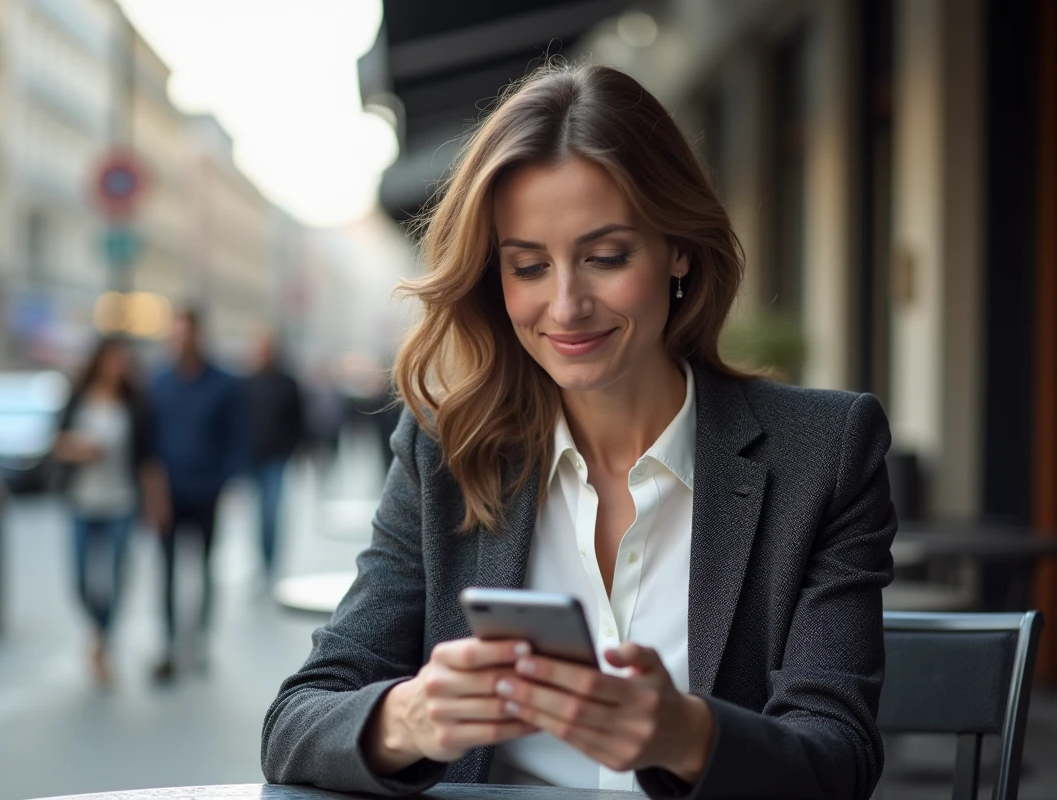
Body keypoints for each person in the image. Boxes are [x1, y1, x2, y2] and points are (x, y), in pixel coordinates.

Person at [262, 64, 896, 799]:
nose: (565, 306)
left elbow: (838, 756)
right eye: (528, 266)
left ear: (679, 248)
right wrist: (410, 718)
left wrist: (684, 735)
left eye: (606, 257)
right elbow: (295, 722)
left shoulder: (825, 452)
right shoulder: (446, 451)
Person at [52, 336, 164, 686]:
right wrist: (80, 450)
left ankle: (102, 640)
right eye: (112, 360)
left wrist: (155, 503)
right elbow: (56, 443)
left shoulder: (135, 404)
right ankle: (99, 628)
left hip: (121, 502)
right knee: (80, 580)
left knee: (117, 577)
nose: (117, 367)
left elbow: (147, 458)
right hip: (82, 501)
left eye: (123, 361)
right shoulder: (78, 398)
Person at [147, 308, 246, 681]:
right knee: (166, 570)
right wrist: (151, 489)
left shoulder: (223, 383)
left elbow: (236, 436)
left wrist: (226, 480)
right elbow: (148, 439)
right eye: (176, 334)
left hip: (206, 490)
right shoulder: (159, 382)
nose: (181, 341)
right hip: (168, 492)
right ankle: (169, 643)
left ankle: (201, 639)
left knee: (204, 566)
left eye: (186, 333)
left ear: (198, 336)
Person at [242, 331, 304, 582]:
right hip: (253, 458)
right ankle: (261, 560)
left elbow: (298, 420)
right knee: (256, 515)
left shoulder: (287, 383)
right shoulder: (248, 383)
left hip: (277, 458)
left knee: (271, 512)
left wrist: (292, 448)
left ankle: (270, 562)